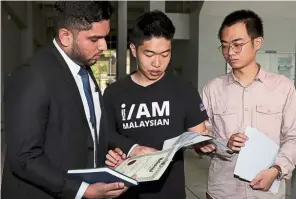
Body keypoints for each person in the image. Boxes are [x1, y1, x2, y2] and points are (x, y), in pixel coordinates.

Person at [1, 2, 129, 199]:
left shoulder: (83, 66)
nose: (103, 46)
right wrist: (82, 190)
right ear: (65, 36)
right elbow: (24, 158)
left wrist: (118, 153)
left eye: (104, 37)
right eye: (95, 39)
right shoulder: (32, 76)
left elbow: (89, 129)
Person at [103, 10, 214, 199]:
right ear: (133, 49)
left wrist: (203, 143)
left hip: (170, 192)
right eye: (149, 54)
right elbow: (104, 135)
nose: (157, 63)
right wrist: (128, 149)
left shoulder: (183, 89)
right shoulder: (114, 93)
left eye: (165, 54)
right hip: (127, 191)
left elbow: (199, 134)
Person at [202, 9, 296, 199]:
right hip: (223, 192)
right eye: (224, 46)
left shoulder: (283, 87)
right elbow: (203, 136)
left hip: (267, 193)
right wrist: (223, 144)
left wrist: (277, 170)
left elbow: (293, 137)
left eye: (237, 45)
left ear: (257, 43)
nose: (230, 53)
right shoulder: (212, 89)